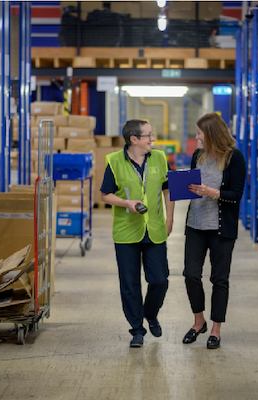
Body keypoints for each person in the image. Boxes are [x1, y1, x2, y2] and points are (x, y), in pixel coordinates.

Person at [101, 119, 175, 348]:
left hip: (154, 229)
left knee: (159, 280)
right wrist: (126, 203)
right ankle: (137, 329)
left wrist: (169, 218)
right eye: (148, 136)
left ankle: (150, 313)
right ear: (134, 139)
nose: (152, 139)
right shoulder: (114, 161)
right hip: (126, 232)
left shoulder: (159, 158)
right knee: (130, 284)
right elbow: (105, 195)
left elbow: (167, 188)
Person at [182, 112, 246, 349]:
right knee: (190, 274)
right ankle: (198, 322)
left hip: (221, 228)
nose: (196, 137)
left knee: (219, 279)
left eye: (199, 133)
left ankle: (216, 329)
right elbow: (192, 186)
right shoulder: (197, 155)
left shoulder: (234, 158)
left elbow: (236, 195)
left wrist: (212, 193)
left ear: (211, 135)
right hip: (196, 225)